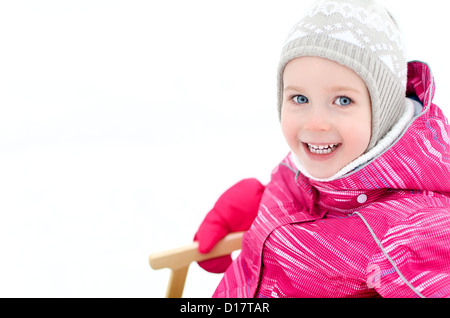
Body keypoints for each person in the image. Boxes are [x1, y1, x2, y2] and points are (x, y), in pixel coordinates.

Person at [194, 0, 450, 297]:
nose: (315, 124)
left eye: (342, 100)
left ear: (385, 112)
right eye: (300, 99)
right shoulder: (318, 167)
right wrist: (263, 200)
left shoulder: (417, 229)